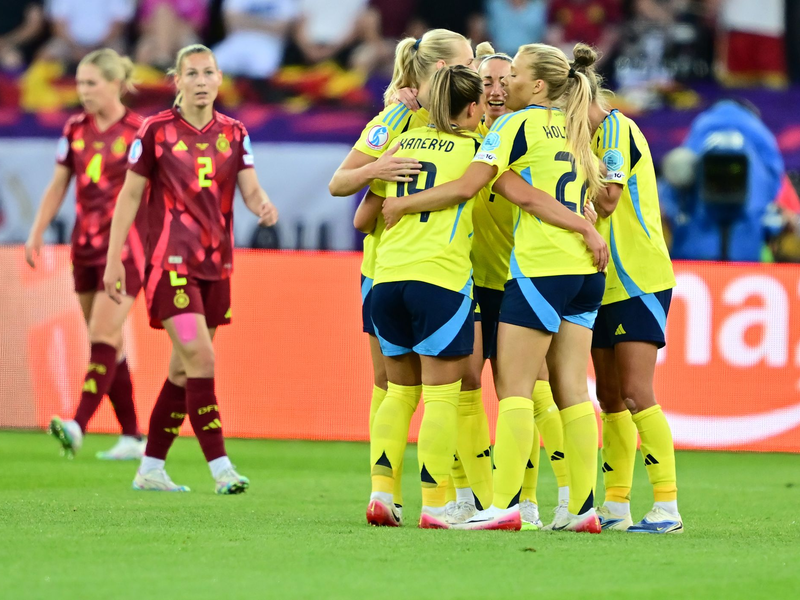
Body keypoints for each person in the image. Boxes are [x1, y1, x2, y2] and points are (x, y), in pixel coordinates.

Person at [382, 43, 609, 532]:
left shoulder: (513, 125)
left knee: (515, 392)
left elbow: (471, 186)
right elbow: (526, 190)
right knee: (571, 390)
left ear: (539, 85)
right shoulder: (574, 125)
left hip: (538, 269)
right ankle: (583, 510)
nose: (504, 85)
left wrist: (405, 204)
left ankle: (503, 506)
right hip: (585, 273)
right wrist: (587, 228)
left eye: (516, 76)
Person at [103, 44, 278, 494]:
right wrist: (113, 259)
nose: (201, 81)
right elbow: (128, 197)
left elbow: (251, 189)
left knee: (183, 371)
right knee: (200, 357)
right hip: (169, 265)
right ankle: (221, 468)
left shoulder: (235, 133)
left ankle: (150, 468)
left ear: (220, 80)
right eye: (192, 74)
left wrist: (263, 206)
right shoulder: (155, 130)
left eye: (208, 73)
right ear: (176, 81)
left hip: (216, 265)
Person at [331, 28, 474, 526]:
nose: (475, 68)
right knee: (410, 386)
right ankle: (421, 496)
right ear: (441, 69)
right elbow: (340, 183)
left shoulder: (451, 114)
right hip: (396, 266)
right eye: (468, 61)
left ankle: (421, 493)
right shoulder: (396, 117)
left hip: (397, 268)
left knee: (406, 389)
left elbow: (361, 215)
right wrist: (381, 168)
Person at [357, 64, 486, 529]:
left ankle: (381, 494)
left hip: (386, 279)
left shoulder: (400, 144)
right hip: (440, 280)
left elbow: (362, 216)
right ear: (472, 109)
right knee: (441, 397)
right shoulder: (475, 148)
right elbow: (475, 187)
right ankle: (435, 505)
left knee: (397, 393)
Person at [461, 41, 572, 530]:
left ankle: (527, 499)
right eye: (487, 82)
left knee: (526, 390)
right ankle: (469, 494)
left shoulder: (524, 134)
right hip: (469, 278)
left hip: (519, 276)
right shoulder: (463, 132)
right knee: (465, 388)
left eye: (506, 80)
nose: (497, 90)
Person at [575, 45, 683, 533]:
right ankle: (615, 505)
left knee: (639, 392)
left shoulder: (615, 129)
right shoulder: (591, 135)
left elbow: (609, 198)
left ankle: (667, 507)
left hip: (638, 278)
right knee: (611, 397)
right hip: (602, 281)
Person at [25, 48, 147, 461]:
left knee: (102, 336)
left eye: (91, 82)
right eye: (79, 82)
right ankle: (133, 436)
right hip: (84, 247)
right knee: (109, 345)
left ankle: (77, 424)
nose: (83, 90)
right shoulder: (75, 128)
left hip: (128, 248)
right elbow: (59, 184)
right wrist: (38, 230)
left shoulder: (139, 131)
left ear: (115, 83)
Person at [135, 0, 210, 70]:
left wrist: (170, 31)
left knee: (190, 48)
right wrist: (164, 31)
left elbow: (197, 24)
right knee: (145, 50)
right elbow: (142, 25)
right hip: (155, 36)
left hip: (183, 35)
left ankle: (163, 58)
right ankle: (163, 58)